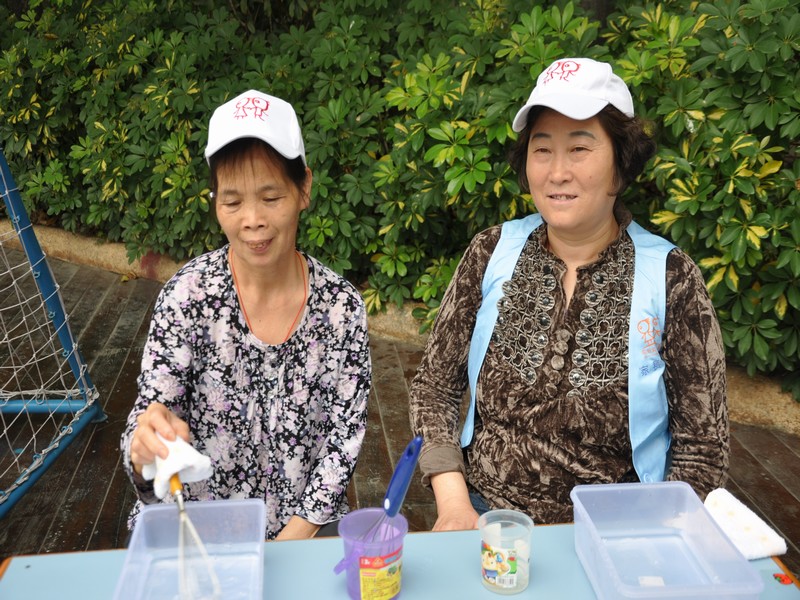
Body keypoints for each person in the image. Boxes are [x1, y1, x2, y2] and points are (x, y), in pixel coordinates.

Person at [409, 58, 729, 531]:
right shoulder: (491, 251)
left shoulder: (671, 277)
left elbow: (702, 450)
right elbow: (434, 387)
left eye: (579, 148)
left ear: (621, 164)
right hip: (485, 516)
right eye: (542, 149)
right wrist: (456, 504)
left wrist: (649, 536)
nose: (557, 172)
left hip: (614, 530)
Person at [120, 90, 371, 540]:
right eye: (232, 202)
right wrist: (145, 447)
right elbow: (153, 414)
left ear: (304, 188)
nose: (252, 219)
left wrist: (292, 540)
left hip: (302, 530)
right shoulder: (188, 295)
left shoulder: (341, 307)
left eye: (271, 197)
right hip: (195, 531)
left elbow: (343, 438)